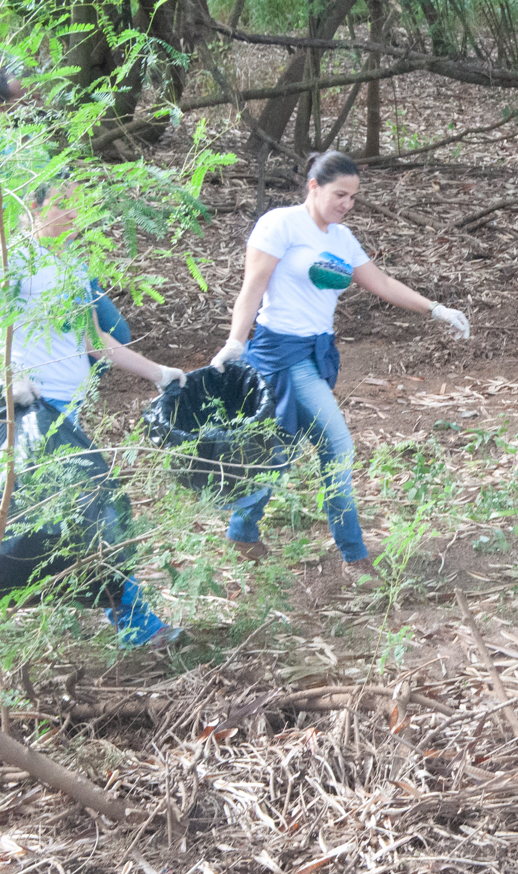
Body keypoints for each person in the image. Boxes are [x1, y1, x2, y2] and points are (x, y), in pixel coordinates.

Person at [209, 150, 470, 585]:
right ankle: (355, 557)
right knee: (338, 447)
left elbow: (381, 282)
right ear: (313, 186)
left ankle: (241, 529)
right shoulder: (280, 224)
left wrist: (436, 309)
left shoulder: (341, 238)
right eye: (339, 194)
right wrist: (236, 340)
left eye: (352, 197)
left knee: (280, 447)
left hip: (318, 352)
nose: (346, 204)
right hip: (281, 353)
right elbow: (252, 285)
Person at [11, 180, 187, 648]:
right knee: (91, 512)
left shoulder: (73, 265)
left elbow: (95, 341)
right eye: (63, 203)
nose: (73, 213)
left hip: (68, 408)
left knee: (78, 517)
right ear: (34, 204)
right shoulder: (14, 262)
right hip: (30, 413)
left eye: (80, 206)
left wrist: (157, 372)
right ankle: (134, 621)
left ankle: (125, 618)